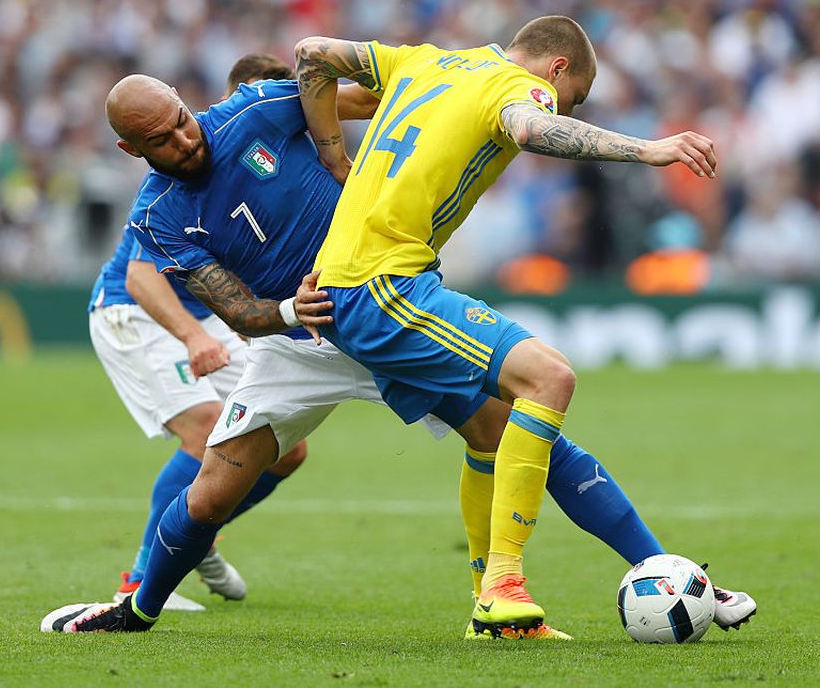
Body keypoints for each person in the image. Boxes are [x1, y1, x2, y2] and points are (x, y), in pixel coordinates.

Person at [42, 47, 754, 637]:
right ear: (130, 149)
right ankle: (137, 610)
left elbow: (348, 91)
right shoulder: (160, 217)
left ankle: (664, 571)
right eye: (161, 140)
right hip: (298, 334)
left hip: (378, 301)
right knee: (210, 494)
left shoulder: (252, 109)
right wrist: (289, 308)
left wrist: (339, 151)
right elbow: (239, 313)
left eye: (180, 120)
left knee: (511, 427)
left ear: (180, 99)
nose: (184, 140)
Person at [293, 15, 745, 636]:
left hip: (351, 282)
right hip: (382, 286)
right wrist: (647, 149)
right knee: (550, 378)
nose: (564, 106)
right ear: (557, 68)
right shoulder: (514, 86)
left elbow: (311, 53)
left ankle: (513, 612)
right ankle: (502, 583)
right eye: (572, 96)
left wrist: (332, 152)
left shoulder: (425, 60)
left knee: (496, 432)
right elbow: (531, 128)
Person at [87, 54, 312, 612]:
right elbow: (141, 278)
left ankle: (192, 538)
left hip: (205, 318)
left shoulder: (251, 153)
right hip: (137, 314)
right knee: (208, 431)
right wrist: (193, 337)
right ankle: (139, 579)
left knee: (285, 450)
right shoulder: (170, 189)